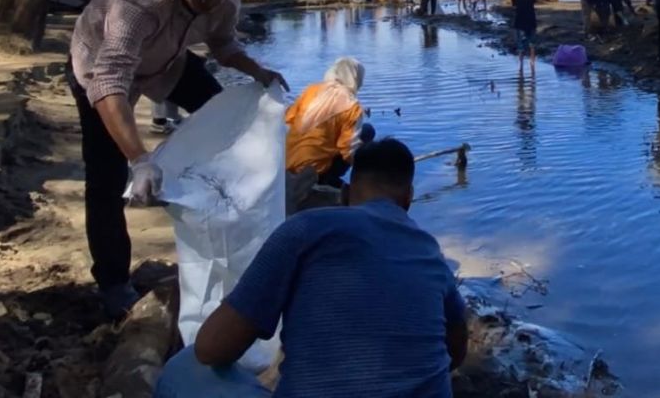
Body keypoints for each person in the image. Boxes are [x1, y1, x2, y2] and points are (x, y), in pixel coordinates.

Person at [68, 0, 288, 319]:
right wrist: (139, 158)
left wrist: (258, 70)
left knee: (225, 121)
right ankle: (114, 281)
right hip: (98, 70)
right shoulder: (137, 1)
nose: (207, 1)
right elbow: (111, 78)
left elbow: (223, 44)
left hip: (168, 63)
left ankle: (219, 203)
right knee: (105, 175)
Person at [154, 138, 468, 398]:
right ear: (409, 198)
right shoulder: (431, 253)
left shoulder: (304, 229)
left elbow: (211, 349)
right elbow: (455, 353)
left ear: (344, 195)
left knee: (185, 367)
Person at [133, 0, 184, 134]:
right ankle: (162, 118)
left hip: (157, 18)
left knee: (166, 67)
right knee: (163, 67)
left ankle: (167, 115)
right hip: (158, 18)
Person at [285, 58, 369, 189]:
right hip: (314, 172)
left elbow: (289, 118)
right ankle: (328, 180)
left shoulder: (311, 90)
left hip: (288, 164)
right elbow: (349, 151)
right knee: (368, 131)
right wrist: (372, 166)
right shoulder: (352, 106)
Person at [512, 0, 537, 76]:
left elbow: (513, 4)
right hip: (531, 20)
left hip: (520, 20)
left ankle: (521, 66)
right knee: (532, 44)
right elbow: (533, 3)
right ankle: (532, 65)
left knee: (521, 45)